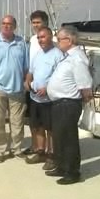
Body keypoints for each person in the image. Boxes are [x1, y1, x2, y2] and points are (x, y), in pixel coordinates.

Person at [46, 26, 93, 185]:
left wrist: (83, 99)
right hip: (59, 103)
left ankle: (72, 172)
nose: (57, 42)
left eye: (59, 39)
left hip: (68, 104)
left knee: (68, 138)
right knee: (59, 137)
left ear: (70, 40)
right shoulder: (67, 57)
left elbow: (84, 84)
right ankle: (61, 166)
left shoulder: (77, 58)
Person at [0, 15, 29, 163]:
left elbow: (27, 67)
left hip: (17, 90)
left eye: (9, 24)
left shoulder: (21, 43)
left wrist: (25, 82)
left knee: (17, 122)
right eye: (3, 23)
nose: (6, 26)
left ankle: (17, 149)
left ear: (14, 26)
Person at [24, 27, 63, 169]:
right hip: (35, 98)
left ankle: (52, 155)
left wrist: (47, 88)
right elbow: (31, 72)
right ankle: (41, 152)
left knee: (50, 129)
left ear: (51, 37)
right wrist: (27, 81)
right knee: (38, 126)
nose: (41, 40)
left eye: (43, 37)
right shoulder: (38, 54)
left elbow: (60, 77)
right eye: (39, 38)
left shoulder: (58, 55)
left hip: (50, 100)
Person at [24, 10, 56, 157]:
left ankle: (51, 152)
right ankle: (37, 148)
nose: (36, 25)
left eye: (38, 22)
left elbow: (59, 73)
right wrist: (27, 80)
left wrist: (48, 87)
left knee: (49, 126)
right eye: (33, 22)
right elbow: (31, 66)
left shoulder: (56, 49)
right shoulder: (32, 40)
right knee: (35, 124)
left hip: (48, 94)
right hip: (33, 92)